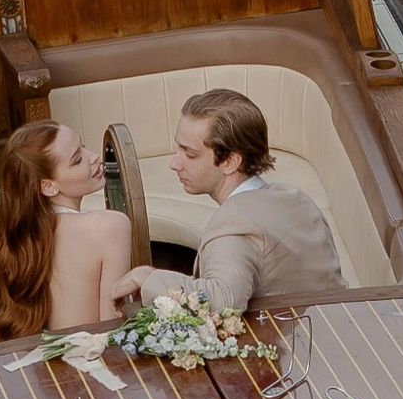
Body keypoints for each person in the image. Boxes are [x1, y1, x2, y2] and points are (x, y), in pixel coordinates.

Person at [130, 89, 346, 317]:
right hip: (340, 327)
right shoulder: (297, 198)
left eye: (190, 155)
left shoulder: (234, 225)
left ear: (230, 161)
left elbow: (223, 301)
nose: (175, 163)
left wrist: (146, 278)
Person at [0, 119, 133, 346]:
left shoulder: (25, 237)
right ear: (48, 186)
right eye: (77, 159)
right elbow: (112, 331)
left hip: (45, 367)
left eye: (83, 145)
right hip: (91, 367)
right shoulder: (110, 226)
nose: (93, 156)